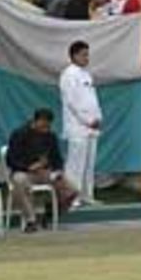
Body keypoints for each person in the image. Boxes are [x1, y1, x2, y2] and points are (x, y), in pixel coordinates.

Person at [5, 108, 77, 232]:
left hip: (44, 172)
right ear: (36, 121)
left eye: (48, 126)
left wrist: (58, 170)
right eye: (43, 125)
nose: (45, 129)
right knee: (19, 181)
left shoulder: (50, 136)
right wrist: (28, 167)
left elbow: (57, 158)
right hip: (24, 171)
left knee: (71, 190)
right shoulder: (19, 134)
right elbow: (11, 159)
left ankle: (50, 214)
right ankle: (30, 220)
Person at [59, 41, 101, 203]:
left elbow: (91, 99)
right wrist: (87, 120)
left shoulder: (86, 74)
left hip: (92, 126)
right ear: (74, 55)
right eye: (84, 54)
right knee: (75, 165)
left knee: (89, 165)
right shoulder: (68, 75)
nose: (87, 58)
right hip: (77, 127)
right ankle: (71, 197)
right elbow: (72, 102)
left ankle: (87, 195)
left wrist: (97, 118)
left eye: (87, 54)